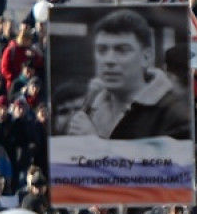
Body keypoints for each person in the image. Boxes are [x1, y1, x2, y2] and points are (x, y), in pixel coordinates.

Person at [59, 10, 184, 141]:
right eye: (102, 50)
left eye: (122, 50)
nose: (109, 60)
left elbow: (163, 159)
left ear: (146, 57)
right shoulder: (91, 105)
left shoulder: (172, 112)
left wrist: (93, 141)